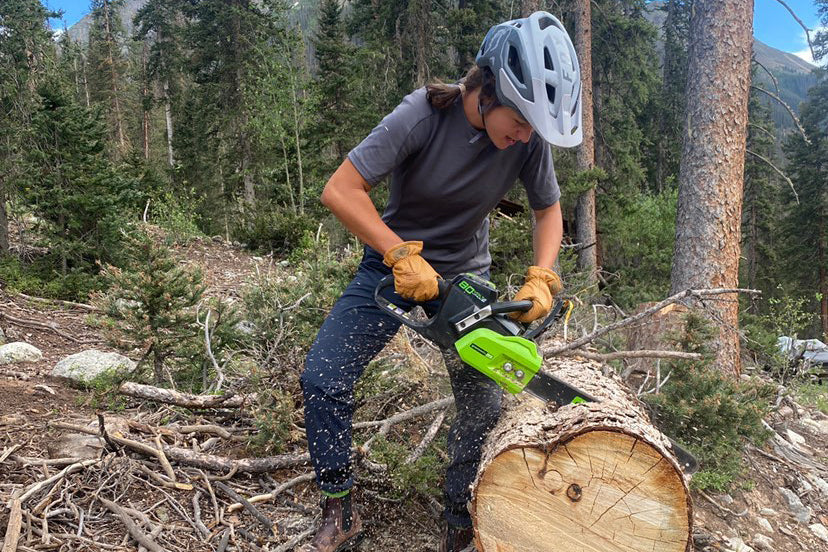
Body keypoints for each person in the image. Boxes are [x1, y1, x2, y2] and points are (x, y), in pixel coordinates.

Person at [298, 11, 582, 552]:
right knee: (323, 378)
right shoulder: (422, 115)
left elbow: (549, 211)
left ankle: (460, 523)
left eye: (531, 129)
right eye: (519, 122)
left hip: (464, 280)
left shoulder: (527, 139)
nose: (524, 136)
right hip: (392, 268)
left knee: (481, 406)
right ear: (489, 87)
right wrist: (398, 254)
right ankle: (339, 506)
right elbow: (341, 189)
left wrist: (542, 275)